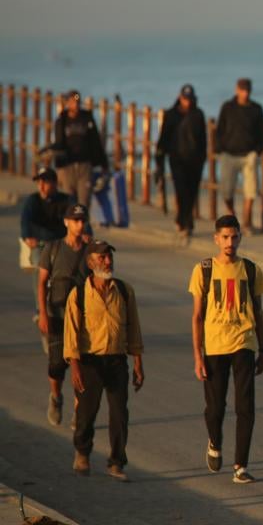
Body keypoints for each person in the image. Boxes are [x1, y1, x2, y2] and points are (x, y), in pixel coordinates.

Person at [190, 215, 263, 484]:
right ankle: (214, 442)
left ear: (240, 238)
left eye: (234, 237)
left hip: (243, 343)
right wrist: (197, 356)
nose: (230, 242)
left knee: (246, 406)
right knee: (215, 408)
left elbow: (258, 311)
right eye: (224, 237)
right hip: (214, 346)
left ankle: (240, 466)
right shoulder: (203, 269)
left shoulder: (250, 269)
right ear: (216, 238)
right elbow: (197, 316)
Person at [63, 240, 144, 480]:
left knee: (119, 412)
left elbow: (134, 329)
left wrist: (138, 362)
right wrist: (75, 367)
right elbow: (71, 333)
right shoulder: (78, 295)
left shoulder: (124, 291)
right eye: (101, 258)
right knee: (87, 412)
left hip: (117, 360)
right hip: (90, 361)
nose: (108, 262)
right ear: (90, 263)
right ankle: (82, 452)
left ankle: (116, 462)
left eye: (109, 257)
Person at [37, 203, 91, 426]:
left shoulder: (90, 251)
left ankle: (79, 411)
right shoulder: (53, 248)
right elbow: (41, 283)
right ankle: (56, 397)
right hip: (57, 314)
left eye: (82, 220)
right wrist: (42, 313)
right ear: (66, 222)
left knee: (84, 366)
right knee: (57, 365)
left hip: (83, 317)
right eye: (75, 220)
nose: (79, 224)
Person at [21, 166, 76, 336]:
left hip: (61, 244)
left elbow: (78, 218)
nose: (42, 186)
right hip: (41, 244)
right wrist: (28, 237)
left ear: (54, 183)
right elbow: (25, 221)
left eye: (45, 182)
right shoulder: (33, 200)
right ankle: (40, 309)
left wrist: (86, 234)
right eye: (39, 182)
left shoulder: (65, 200)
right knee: (40, 269)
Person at [214, 78, 263, 232]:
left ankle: (246, 221)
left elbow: (262, 132)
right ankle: (231, 212)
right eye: (242, 90)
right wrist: (220, 148)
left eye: (247, 90)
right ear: (237, 90)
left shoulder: (256, 109)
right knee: (226, 188)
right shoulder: (228, 107)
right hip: (229, 154)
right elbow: (219, 129)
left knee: (251, 190)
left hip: (248, 155)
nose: (245, 93)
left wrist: (257, 151)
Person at [157, 84, 208, 242]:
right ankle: (185, 222)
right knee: (181, 190)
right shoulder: (171, 115)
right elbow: (164, 136)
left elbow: (203, 138)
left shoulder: (198, 114)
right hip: (177, 159)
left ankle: (185, 220)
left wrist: (203, 157)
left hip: (195, 160)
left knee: (192, 192)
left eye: (190, 99)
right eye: (185, 99)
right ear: (180, 98)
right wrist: (159, 157)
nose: (187, 102)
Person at [51, 90, 109, 207]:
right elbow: (58, 144)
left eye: (77, 101)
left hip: (85, 165)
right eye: (72, 101)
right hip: (68, 166)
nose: (75, 104)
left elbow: (95, 142)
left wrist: (103, 164)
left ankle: (84, 224)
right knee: (69, 202)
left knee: (84, 202)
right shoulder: (62, 121)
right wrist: (56, 165)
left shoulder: (87, 119)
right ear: (67, 103)